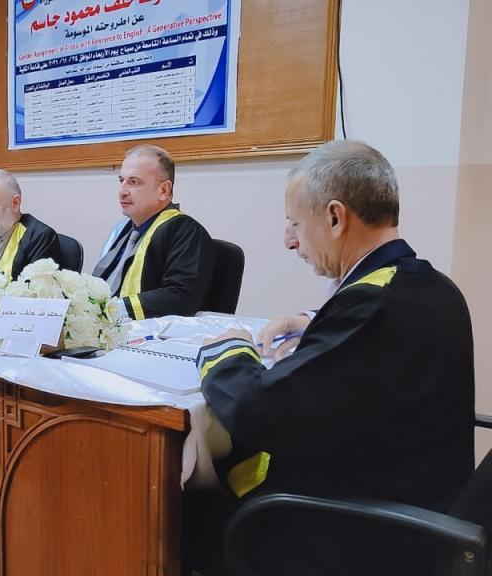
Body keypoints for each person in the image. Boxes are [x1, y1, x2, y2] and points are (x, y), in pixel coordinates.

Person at [187, 140, 475, 575]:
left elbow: (256, 411)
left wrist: (226, 350)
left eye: (294, 223)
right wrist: (314, 322)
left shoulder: (371, 307)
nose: (289, 241)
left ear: (335, 217)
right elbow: (371, 351)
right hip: (416, 503)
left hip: (356, 538)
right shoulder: (431, 286)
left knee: (181, 513)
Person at [92, 144, 215, 320]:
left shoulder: (186, 231)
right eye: (121, 180)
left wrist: (111, 310)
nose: (122, 191)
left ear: (164, 190)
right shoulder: (124, 229)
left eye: (134, 182)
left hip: (150, 332)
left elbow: (181, 297)